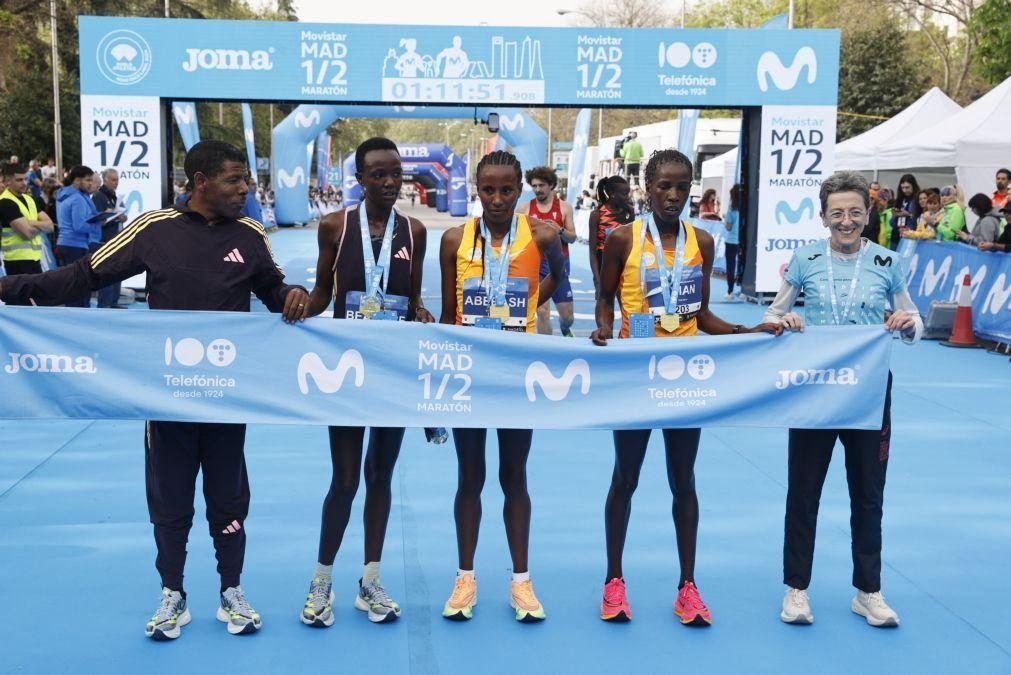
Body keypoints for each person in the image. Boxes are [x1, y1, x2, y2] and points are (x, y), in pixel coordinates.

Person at [0, 140, 310, 640]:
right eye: (234, 180)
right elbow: (83, 276)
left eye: (246, 180)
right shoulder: (154, 230)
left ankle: (232, 590)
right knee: (170, 497)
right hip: (168, 395)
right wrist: (8, 291)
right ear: (201, 181)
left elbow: (273, 290)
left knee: (229, 496)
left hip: (228, 396)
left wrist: (292, 295)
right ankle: (173, 593)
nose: (245, 189)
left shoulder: (250, 234)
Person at [590, 149, 782, 626]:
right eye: (664, 187)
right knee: (626, 478)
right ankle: (614, 581)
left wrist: (748, 331)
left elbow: (701, 317)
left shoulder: (703, 241)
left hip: (685, 379)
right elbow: (604, 300)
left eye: (681, 187)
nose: (673, 195)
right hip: (637, 377)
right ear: (647, 189)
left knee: (684, 481)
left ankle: (688, 586)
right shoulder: (620, 239)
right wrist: (603, 328)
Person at [763, 170, 922, 628]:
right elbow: (775, 312)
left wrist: (906, 324)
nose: (846, 221)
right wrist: (785, 322)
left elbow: (913, 321)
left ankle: (868, 591)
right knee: (804, 491)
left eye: (855, 212)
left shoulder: (889, 263)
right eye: (837, 213)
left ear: (868, 215)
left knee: (869, 493)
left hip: (869, 394)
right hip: (815, 393)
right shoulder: (806, 258)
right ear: (823, 217)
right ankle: (796, 590)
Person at [298, 138, 433, 629]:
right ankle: (321, 578)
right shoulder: (334, 226)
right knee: (345, 479)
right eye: (379, 174)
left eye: (396, 172)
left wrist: (421, 313)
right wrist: (295, 308)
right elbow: (320, 293)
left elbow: (413, 298)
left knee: (381, 476)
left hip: (393, 370)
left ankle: (370, 579)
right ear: (360, 179)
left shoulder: (415, 232)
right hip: (347, 373)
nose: (391, 181)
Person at [437, 150, 566, 623]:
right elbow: (450, 314)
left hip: (517, 376)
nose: (496, 198)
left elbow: (560, 280)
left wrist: (531, 304)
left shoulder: (543, 233)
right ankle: (465, 577)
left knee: (515, 478)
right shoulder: (453, 239)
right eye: (487, 189)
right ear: (476, 189)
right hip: (469, 377)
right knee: (469, 478)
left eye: (506, 189)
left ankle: (521, 581)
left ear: (519, 191)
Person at [517, 166, 576, 336]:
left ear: (551, 185)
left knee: (567, 317)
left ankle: (565, 329)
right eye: (534, 186)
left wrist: (559, 230)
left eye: (541, 185)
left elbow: (572, 238)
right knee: (542, 312)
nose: (537, 190)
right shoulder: (524, 209)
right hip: (535, 266)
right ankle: (546, 348)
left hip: (558, 266)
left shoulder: (564, 208)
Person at [55, 166, 99, 307]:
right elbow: (79, 226)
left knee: (71, 285)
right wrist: (98, 223)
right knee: (80, 286)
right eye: (88, 180)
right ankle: (79, 317)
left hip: (66, 243)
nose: (90, 184)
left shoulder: (64, 195)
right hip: (75, 245)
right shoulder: (78, 199)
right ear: (78, 180)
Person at [0, 163, 54, 278]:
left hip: (34, 259)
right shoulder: (5, 202)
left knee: (37, 295)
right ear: (8, 181)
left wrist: (30, 222)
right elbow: (27, 234)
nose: (24, 183)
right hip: (16, 261)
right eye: (19, 180)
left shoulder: (30, 199)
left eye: (25, 179)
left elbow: (50, 226)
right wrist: (40, 226)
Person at [588, 175, 634, 294]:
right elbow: (592, 251)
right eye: (624, 194)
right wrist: (597, 279)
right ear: (612, 194)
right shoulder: (597, 214)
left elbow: (632, 242)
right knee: (604, 301)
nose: (628, 197)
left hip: (623, 261)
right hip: (603, 262)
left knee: (627, 301)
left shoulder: (628, 212)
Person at [91, 169, 128, 308]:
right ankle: (105, 303)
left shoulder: (114, 196)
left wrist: (123, 217)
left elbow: (122, 213)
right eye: (113, 179)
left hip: (116, 239)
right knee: (107, 272)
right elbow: (98, 219)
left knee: (118, 271)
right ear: (105, 180)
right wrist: (112, 217)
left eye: (117, 179)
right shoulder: (98, 196)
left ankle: (113, 301)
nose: (116, 182)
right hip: (104, 240)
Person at [724, 183, 742, 299]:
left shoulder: (731, 209)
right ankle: (744, 290)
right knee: (742, 266)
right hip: (742, 241)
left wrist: (726, 220)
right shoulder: (745, 208)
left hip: (731, 241)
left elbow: (728, 227)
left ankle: (730, 291)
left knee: (730, 266)